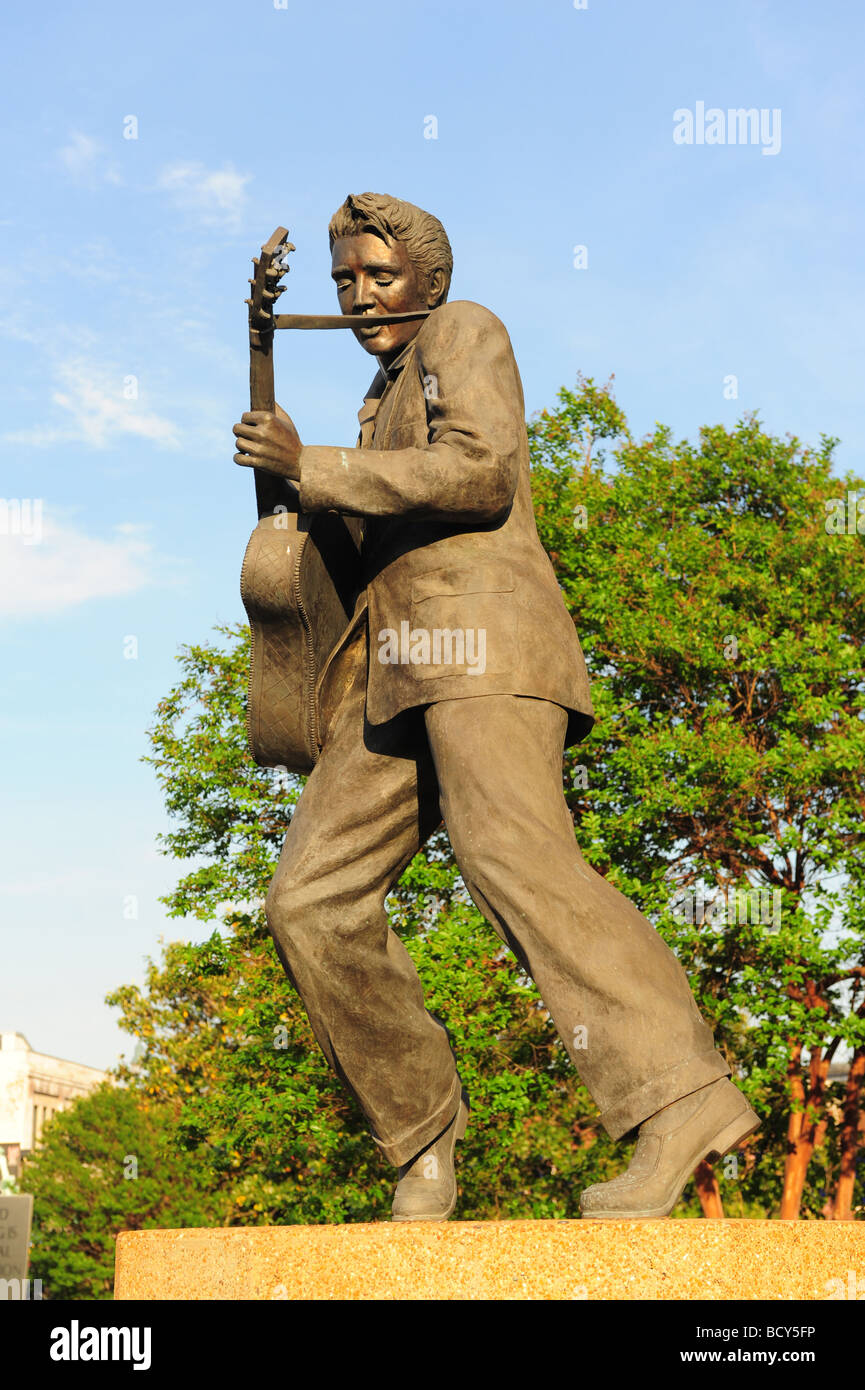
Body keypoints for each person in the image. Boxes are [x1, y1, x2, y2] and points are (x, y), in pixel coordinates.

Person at [232, 192, 759, 1221]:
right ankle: (422, 1141)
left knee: (513, 857)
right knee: (309, 899)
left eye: (379, 277)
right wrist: (294, 484)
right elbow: (344, 551)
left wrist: (320, 468)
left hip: (479, 645)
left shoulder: (464, 331)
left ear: (428, 280)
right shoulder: (377, 399)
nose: (360, 297)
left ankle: (686, 1095)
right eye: (345, 282)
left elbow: (478, 472)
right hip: (394, 677)